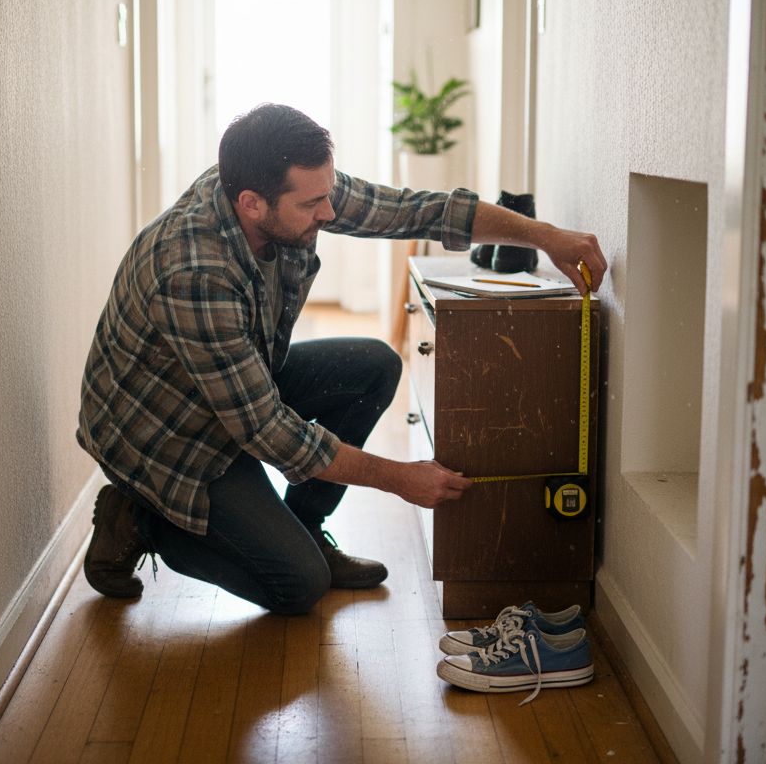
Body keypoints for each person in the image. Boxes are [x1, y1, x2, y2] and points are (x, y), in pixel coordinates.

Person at [77, 104, 606, 615]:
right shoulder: (193, 272)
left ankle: (304, 524)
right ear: (251, 203)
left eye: (326, 196)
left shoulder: (284, 186)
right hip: (162, 437)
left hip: (229, 393)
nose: (329, 213)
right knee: (299, 586)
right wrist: (400, 478)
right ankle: (143, 515)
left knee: (372, 365)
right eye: (312, 206)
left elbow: (415, 210)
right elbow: (268, 432)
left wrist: (546, 236)